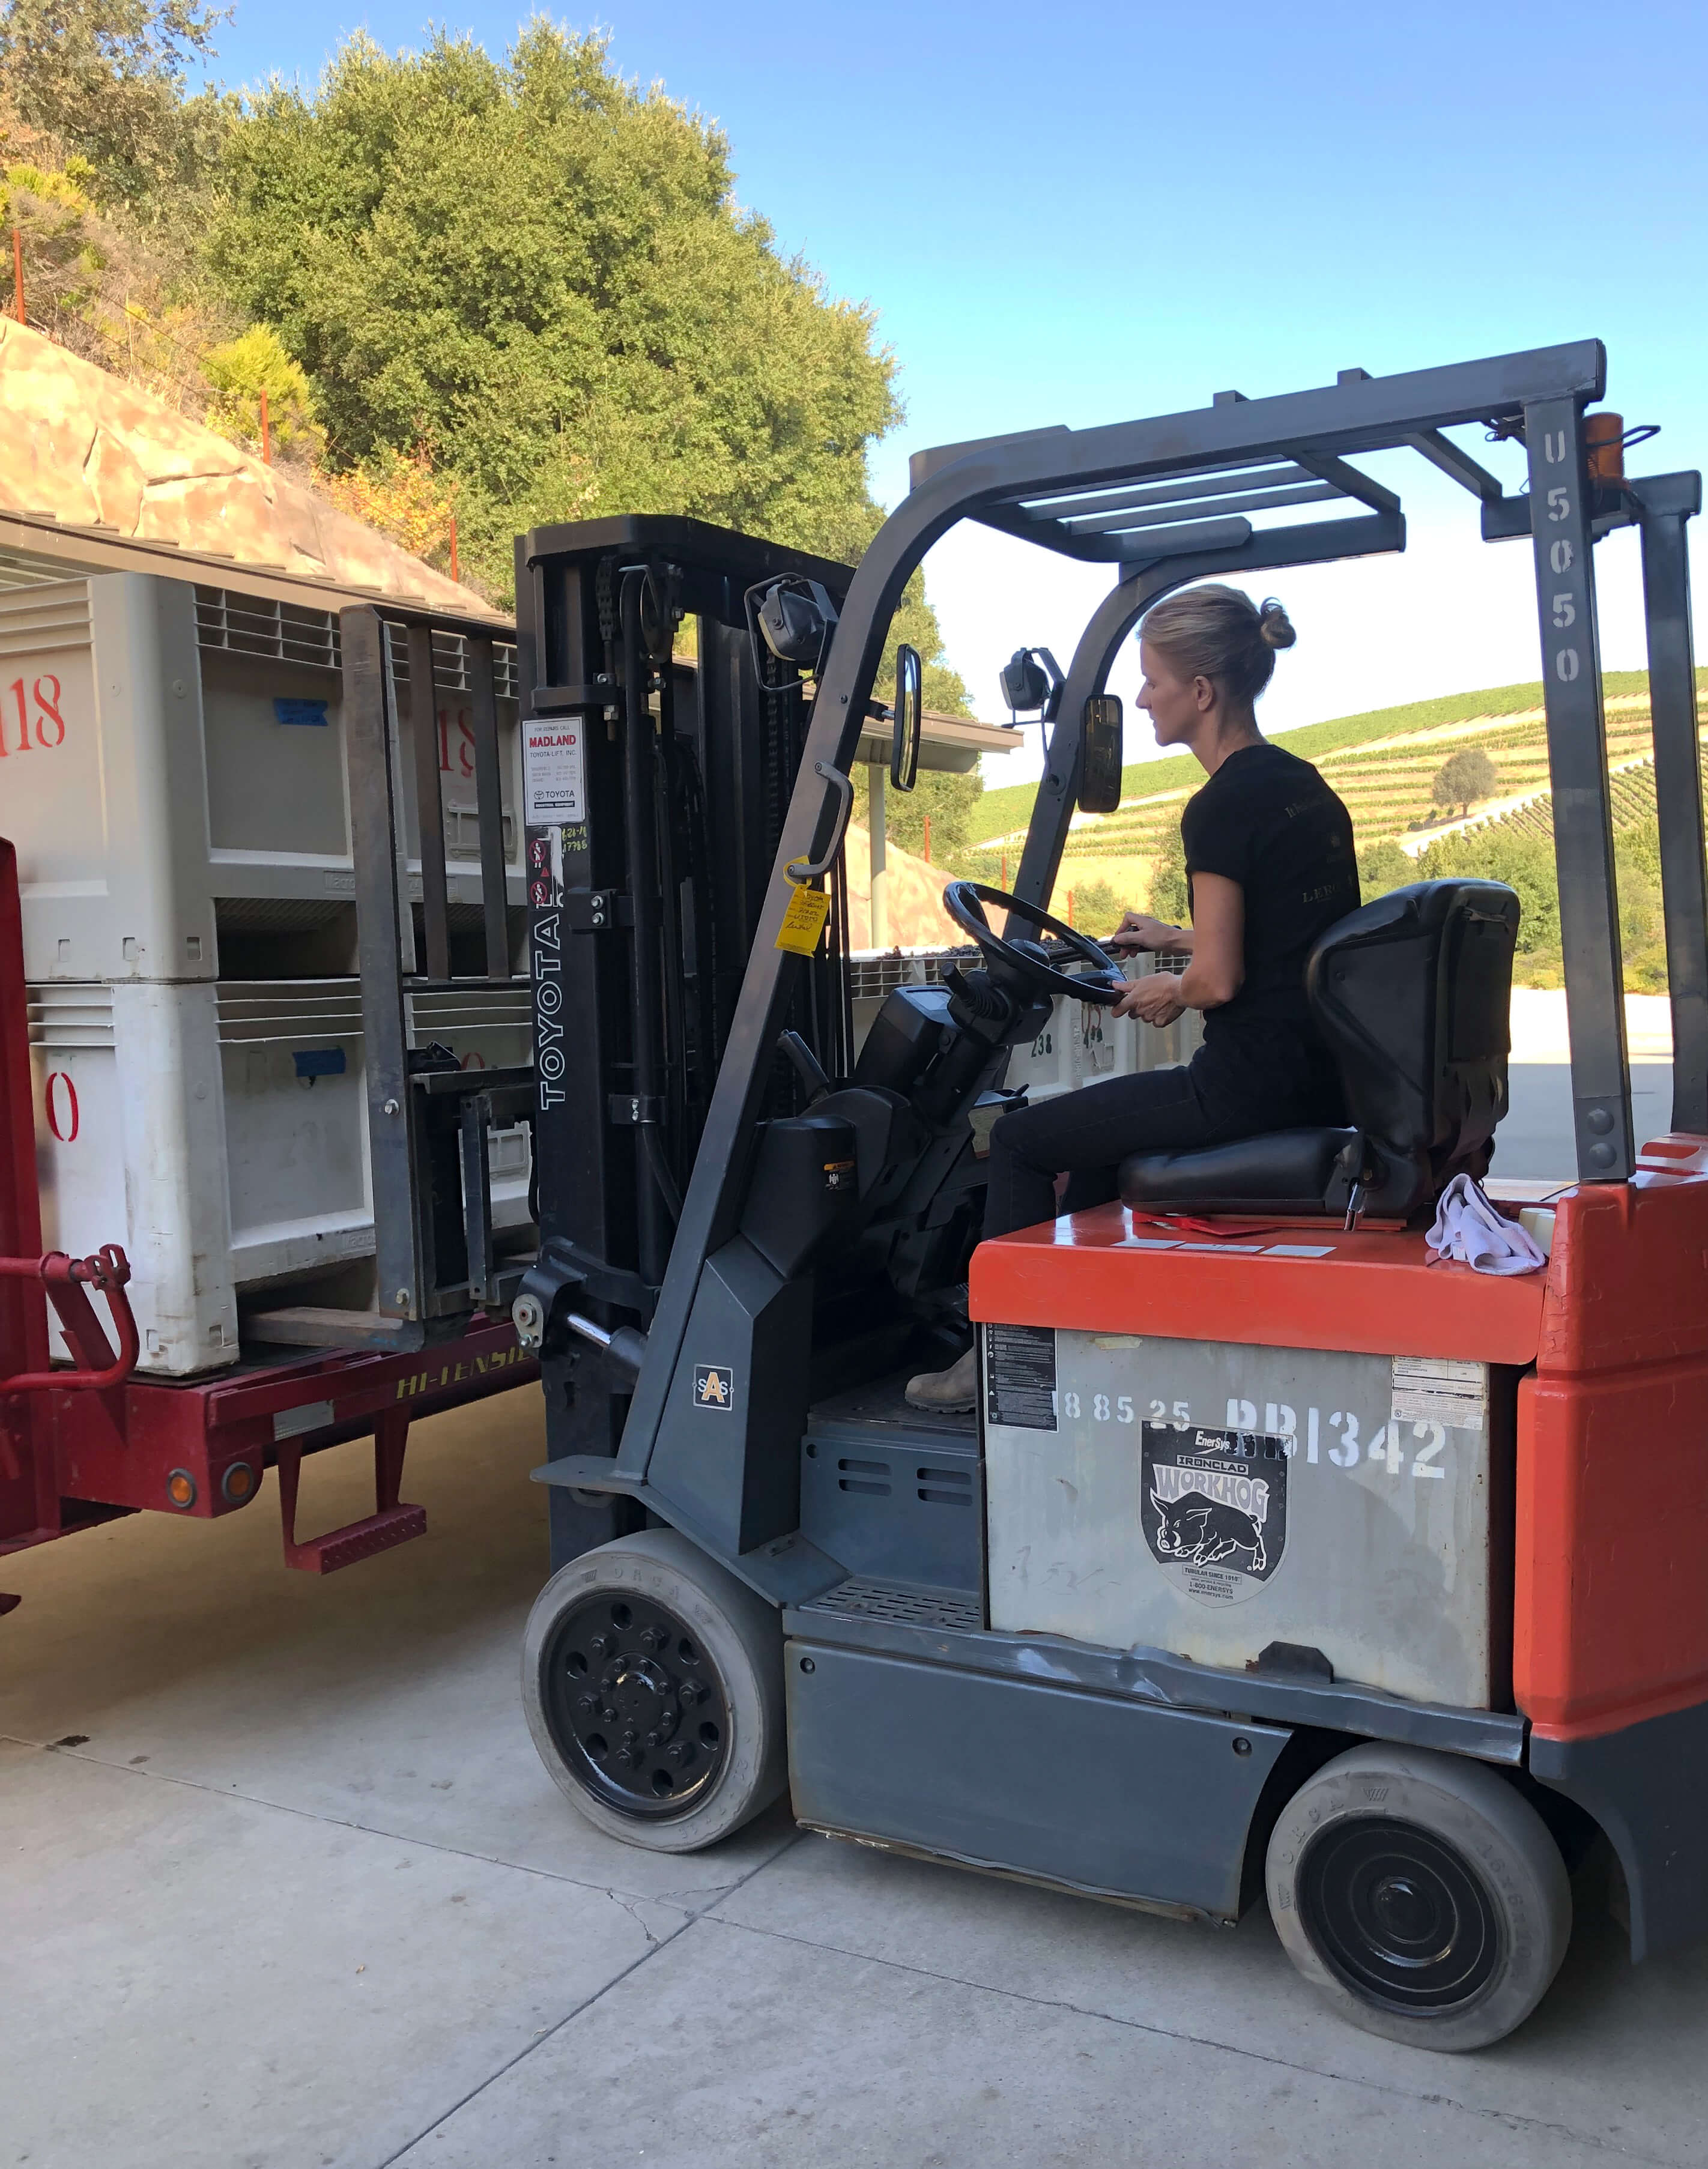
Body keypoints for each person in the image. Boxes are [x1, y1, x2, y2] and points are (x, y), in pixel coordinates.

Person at [907, 583, 1360, 1411]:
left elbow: (1219, 983)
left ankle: (1004, 1361)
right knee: (1098, 1142)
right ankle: (1093, 1340)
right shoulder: (1302, 786)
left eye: (1152, 682)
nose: (1142, 698)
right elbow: (1299, 934)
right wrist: (1173, 939)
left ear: (1202, 691)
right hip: (1316, 1072)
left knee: (1020, 1142)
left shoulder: (1220, 805)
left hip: (1246, 1086)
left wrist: (1171, 989)